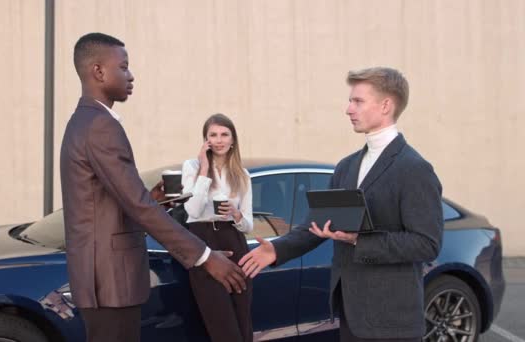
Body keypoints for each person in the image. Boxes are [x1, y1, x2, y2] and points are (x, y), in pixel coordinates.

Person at [59, 33, 246, 342]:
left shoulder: (85, 121)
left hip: (103, 280)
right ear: (98, 71)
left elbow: (113, 201)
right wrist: (205, 257)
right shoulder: (100, 126)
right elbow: (136, 205)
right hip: (110, 282)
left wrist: (155, 198)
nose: (131, 76)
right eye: (124, 67)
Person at [239, 67, 443, 341]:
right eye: (350, 101)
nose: (348, 109)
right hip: (350, 314)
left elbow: (427, 243)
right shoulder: (346, 167)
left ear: (385, 105)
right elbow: (315, 224)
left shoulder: (414, 169)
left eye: (357, 101)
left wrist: (359, 239)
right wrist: (277, 250)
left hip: (393, 323)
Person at [181, 113, 254, 342]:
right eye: (213, 135)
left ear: (233, 140)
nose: (219, 140)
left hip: (234, 241)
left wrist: (236, 214)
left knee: (242, 321)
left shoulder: (242, 175)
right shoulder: (192, 167)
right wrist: (204, 168)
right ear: (206, 140)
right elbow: (192, 210)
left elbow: (249, 225)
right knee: (221, 324)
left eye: (224, 134)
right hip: (204, 245)